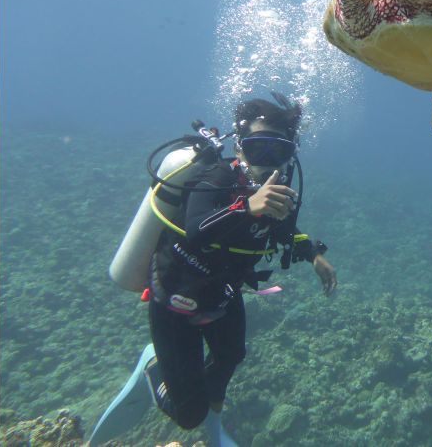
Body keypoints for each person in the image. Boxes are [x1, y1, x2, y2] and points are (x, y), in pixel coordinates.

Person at [91, 95, 336, 447]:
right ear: (239, 147)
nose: (267, 162)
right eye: (257, 148)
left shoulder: (277, 192)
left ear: (290, 154)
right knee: (188, 416)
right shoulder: (216, 176)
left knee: (231, 355)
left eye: (278, 151)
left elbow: (283, 229)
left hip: (223, 292)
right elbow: (195, 230)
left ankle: (214, 420)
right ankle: (154, 368)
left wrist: (313, 255)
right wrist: (246, 207)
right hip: (176, 295)